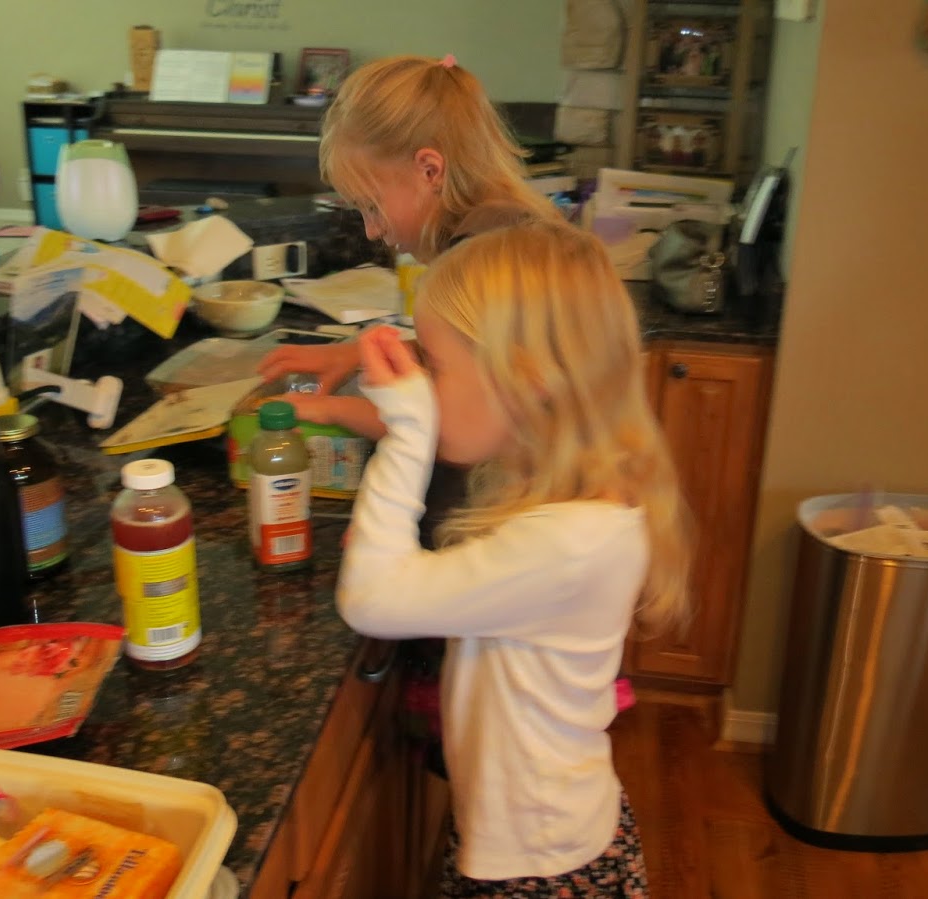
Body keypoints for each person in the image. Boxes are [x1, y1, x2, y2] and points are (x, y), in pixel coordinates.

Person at [337, 222, 692, 897]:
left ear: (527, 381)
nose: (425, 386)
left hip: (540, 868)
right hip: (532, 839)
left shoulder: (571, 540)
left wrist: (407, 430)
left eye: (436, 366)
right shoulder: (561, 498)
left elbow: (371, 598)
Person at [256, 53, 561, 441]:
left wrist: (331, 408)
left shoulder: (485, 259)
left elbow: (457, 427)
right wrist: (353, 354)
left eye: (372, 206)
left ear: (429, 170)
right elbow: (470, 358)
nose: (370, 231)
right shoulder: (506, 228)